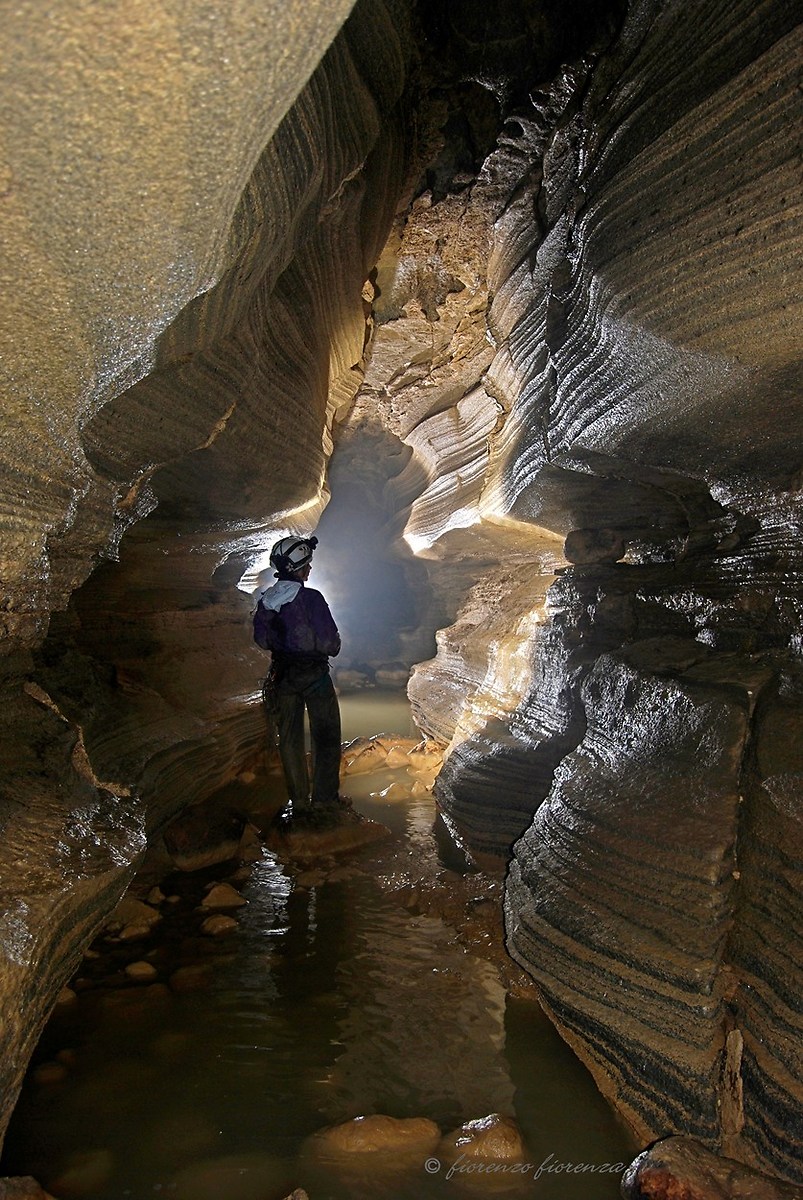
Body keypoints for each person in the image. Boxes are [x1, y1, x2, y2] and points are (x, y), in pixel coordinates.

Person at [253, 535, 345, 823]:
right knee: (326, 737)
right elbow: (331, 643)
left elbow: (262, 640)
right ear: (298, 568)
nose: (309, 569)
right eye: (307, 565)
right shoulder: (311, 598)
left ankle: (299, 802)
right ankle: (324, 800)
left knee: (290, 740)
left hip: (283, 677)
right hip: (315, 676)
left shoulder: (267, 601)